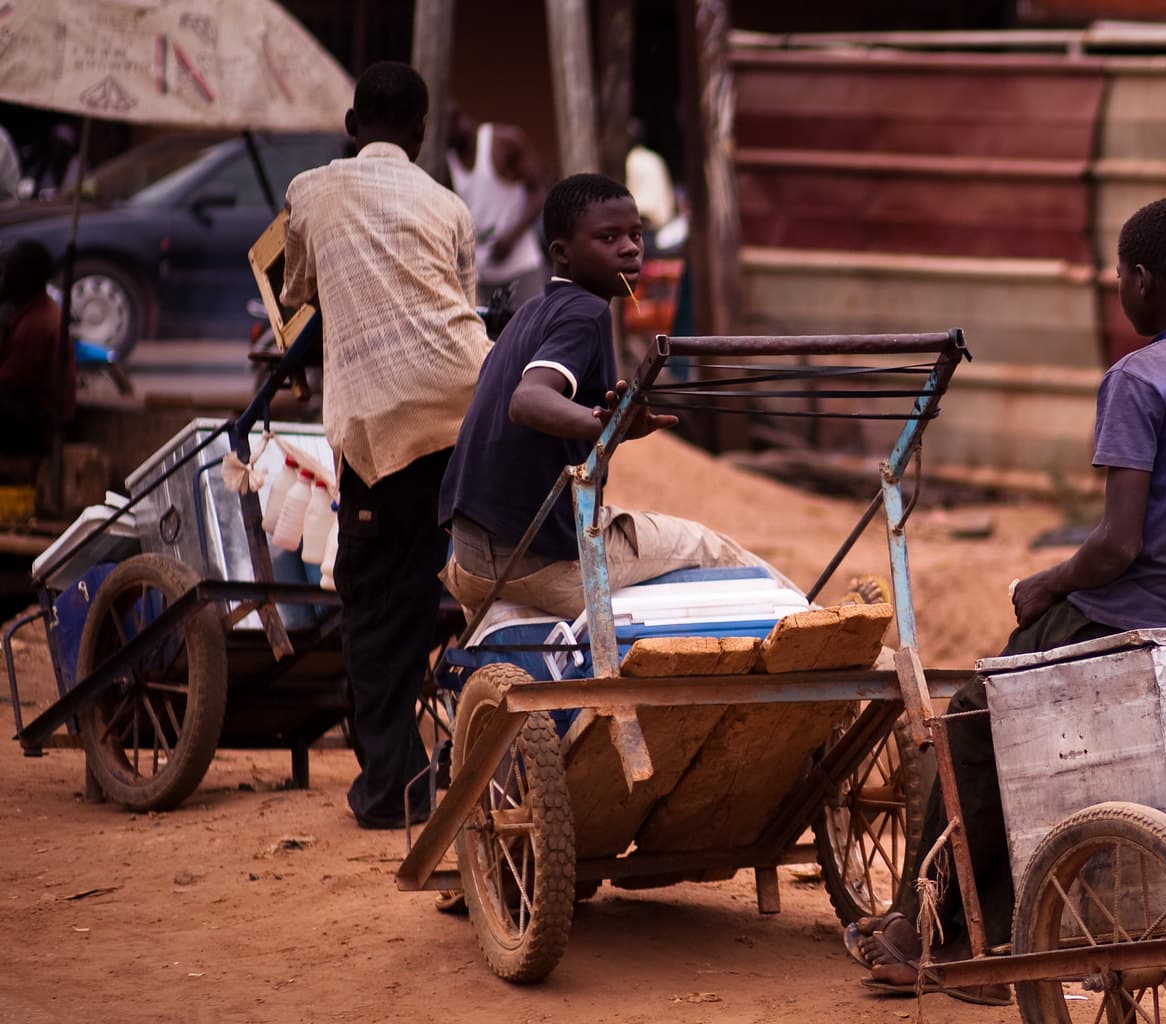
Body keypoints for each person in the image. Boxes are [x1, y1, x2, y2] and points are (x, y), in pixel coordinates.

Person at [845, 196, 1166, 998]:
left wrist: (1042, 583)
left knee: (975, 720)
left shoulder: (1139, 378)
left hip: (1121, 616)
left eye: (1122, 273)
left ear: (1145, 280)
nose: (1120, 287)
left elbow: (1117, 544)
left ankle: (930, 931)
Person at [281, 61, 492, 830]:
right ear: (423, 131)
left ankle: (386, 791)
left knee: (374, 605)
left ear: (349, 125)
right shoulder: (449, 204)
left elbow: (299, 290)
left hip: (381, 426)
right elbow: (456, 303)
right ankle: (430, 765)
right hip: (466, 408)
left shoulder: (310, 191)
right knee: (434, 585)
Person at [438, 173, 788, 621]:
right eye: (609, 237)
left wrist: (611, 427)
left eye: (636, 234)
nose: (630, 248)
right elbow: (527, 400)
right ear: (561, 253)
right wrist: (602, 426)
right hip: (534, 563)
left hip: (468, 557)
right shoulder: (588, 312)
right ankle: (818, 619)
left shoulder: (529, 312)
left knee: (626, 523)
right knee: (709, 548)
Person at [447, 109, 548, 313]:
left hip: (522, 269)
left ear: (458, 119)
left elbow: (539, 193)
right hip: (483, 277)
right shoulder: (446, 159)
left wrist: (512, 236)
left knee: (533, 337)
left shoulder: (503, 142)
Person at [0, 241, 73, 466]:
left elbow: (12, 381)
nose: (4, 278)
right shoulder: (33, 311)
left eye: (9, 271)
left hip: (38, 425)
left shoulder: (37, 324)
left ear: (25, 277)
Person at [624, 119, 676, 231]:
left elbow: (629, 195)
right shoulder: (655, 158)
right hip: (665, 218)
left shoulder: (633, 159)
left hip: (649, 219)